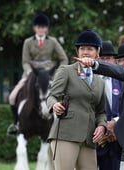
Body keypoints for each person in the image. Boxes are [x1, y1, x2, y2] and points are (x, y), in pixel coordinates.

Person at [47, 30, 107, 170]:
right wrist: (54, 105)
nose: (85, 52)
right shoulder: (66, 71)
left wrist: (102, 125)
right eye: (82, 48)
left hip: (89, 139)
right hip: (65, 134)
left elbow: (101, 111)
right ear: (77, 51)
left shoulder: (100, 81)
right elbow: (52, 96)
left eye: (90, 49)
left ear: (98, 52)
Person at [7, 13, 68, 135]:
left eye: (43, 27)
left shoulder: (53, 41)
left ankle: (60, 124)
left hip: (48, 75)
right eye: (38, 27)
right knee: (12, 97)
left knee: (64, 96)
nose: (41, 29)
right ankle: (16, 123)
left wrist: (56, 74)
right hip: (31, 74)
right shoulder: (28, 42)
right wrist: (29, 72)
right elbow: (25, 61)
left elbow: (64, 59)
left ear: (47, 28)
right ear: (34, 28)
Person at [96, 41, 122, 170]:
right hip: (96, 137)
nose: (105, 61)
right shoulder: (91, 80)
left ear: (115, 61)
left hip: (116, 139)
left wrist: (115, 122)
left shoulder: (122, 81)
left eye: (108, 58)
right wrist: (104, 126)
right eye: (102, 58)